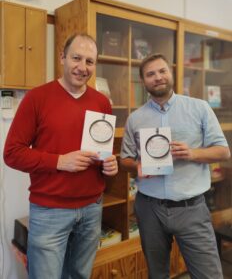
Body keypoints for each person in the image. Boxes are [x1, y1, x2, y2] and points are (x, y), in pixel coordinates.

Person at [4, 33, 118, 279]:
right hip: (49, 212)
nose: (82, 67)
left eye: (89, 61)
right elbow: (12, 153)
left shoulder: (102, 102)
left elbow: (101, 153)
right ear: (62, 57)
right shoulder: (37, 98)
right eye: (76, 58)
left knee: (79, 275)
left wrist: (109, 165)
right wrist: (59, 161)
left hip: (92, 208)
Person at [120, 53, 231, 279]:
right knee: (157, 273)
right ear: (143, 81)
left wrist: (192, 153)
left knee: (209, 275)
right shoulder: (135, 119)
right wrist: (137, 166)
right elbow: (125, 159)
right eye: (150, 74)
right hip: (149, 209)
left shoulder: (199, 108)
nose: (158, 77)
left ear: (171, 74)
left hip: (191, 209)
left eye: (162, 71)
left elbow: (223, 151)